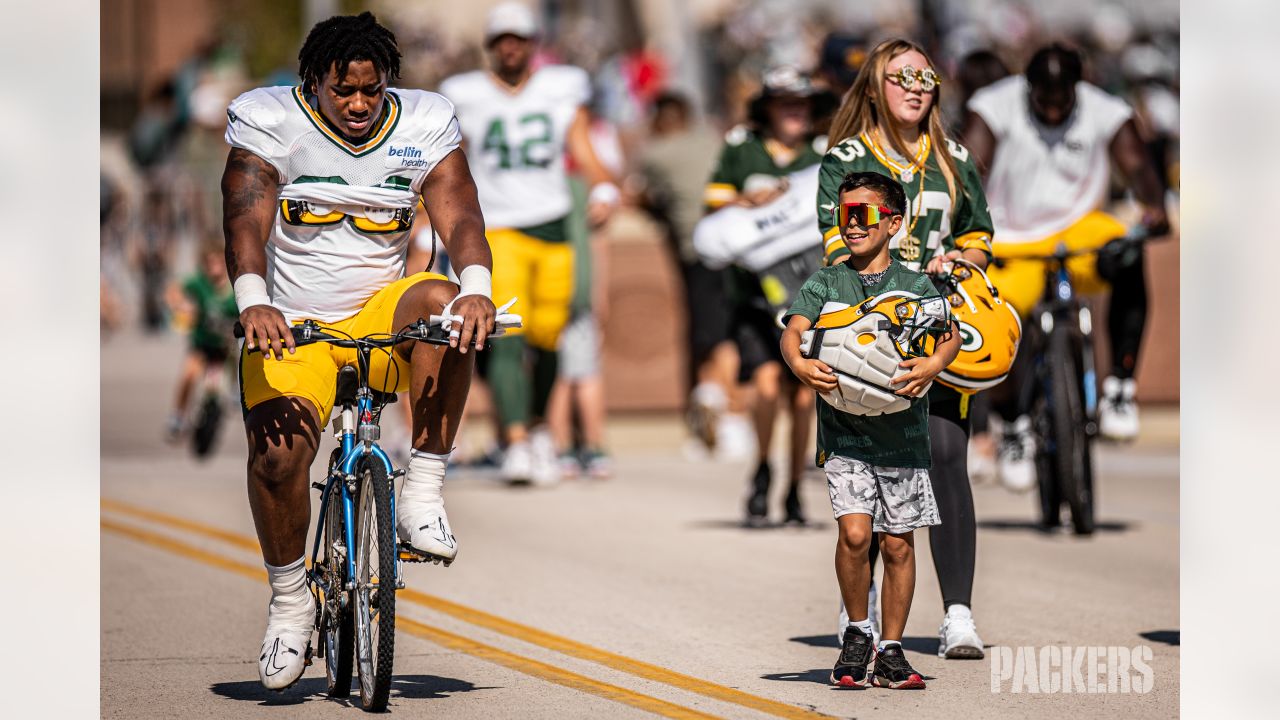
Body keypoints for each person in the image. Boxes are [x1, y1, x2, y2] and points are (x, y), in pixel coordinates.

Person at [222, 12, 498, 690]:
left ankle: (423, 491)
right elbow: (246, 213)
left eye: (371, 91)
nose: (356, 104)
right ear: (313, 81)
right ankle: (290, 602)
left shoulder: (424, 122)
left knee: (445, 306)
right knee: (278, 457)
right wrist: (253, 299)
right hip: (293, 323)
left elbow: (460, 213)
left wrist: (479, 288)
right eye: (342, 90)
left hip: (382, 318)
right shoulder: (269, 119)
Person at [817, 38, 995, 659]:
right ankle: (858, 612)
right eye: (901, 77)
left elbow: (979, 236)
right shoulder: (843, 158)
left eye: (926, 75)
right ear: (874, 86)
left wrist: (958, 259)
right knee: (866, 481)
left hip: (939, 323)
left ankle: (958, 614)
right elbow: (838, 245)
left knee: (946, 455)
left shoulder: (953, 156)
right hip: (865, 330)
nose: (917, 86)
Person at [962, 43, 1170, 489]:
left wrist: (1153, 209)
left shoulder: (1105, 109)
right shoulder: (993, 106)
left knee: (1127, 251)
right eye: (1043, 102)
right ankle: (1013, 423)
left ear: (1078, 88)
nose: (1054, 111)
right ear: (1028, 89)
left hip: (1077, 232)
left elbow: (1137, 166)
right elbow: (971, 172)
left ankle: (1119, 388)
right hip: (1010, 238)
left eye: (1064, 102)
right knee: (1000, 324)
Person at [782, 171, 960, 689]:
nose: (851, 225)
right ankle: (859, 632)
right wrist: (797, 362)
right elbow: (794, 331)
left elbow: (947, 336)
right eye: (844, 214)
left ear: (894, 223)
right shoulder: (827, 281)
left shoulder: (916, 284)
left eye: (862, 215)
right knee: (856, 534)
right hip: (844, 436)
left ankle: (892, 650)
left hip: (902, 437)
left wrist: (933, 366)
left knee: (898, 545)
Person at [439, 2, 619, 485]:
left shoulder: (560, 87)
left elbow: (583, 149)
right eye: (502, 39)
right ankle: (515, 439)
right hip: (497, 228)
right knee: (507, 334)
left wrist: (603, 185)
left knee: (548, 337)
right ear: (491, 47)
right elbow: (450, 166)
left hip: (554, 224)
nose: (511, 46)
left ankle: (539, 429)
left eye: (519, 37)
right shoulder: (466, 94)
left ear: (532, 43)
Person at [705, 66, 824, 526]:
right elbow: (713, 204)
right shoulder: (742, 149)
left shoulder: (822, 153)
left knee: (801, 398)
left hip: (810, 297)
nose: (796, 111)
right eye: (786, 102)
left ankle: (793, 486)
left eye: (803, 103)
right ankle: (761, 467)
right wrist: (749, 203)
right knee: (768, 384)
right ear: (768, 108)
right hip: (755, 295)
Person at [635, 92, 749, 458]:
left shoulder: (656, 154)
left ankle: (723, 408)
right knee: (728, 326)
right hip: (739, 246)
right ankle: (718, 407)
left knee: (713, 334)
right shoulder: (714, 141)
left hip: (700, 251)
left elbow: (639, 195)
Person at [164, 239, 239, 441]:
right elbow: (173, 290)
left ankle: (236, 391)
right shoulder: (199, 283)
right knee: (189, 374)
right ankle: (178, 417)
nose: (213, 268)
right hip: (202, 345)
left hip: (225, 350)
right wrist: (181, 305)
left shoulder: (235, 286)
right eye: (209, 263)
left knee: (235, 366)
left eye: (217, 262)